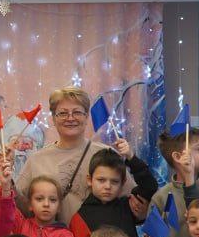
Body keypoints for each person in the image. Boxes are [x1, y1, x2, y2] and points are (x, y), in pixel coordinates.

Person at [14, 87, 138, 225]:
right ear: (53, 118)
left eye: (77, 112)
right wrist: (5, 182)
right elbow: (19, 208)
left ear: (86, 117)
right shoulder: (37, 160)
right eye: (63, 113)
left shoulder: (106, 155)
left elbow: (134, 205)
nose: (70, 118)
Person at [67, 144, 159, 237]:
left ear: (123, 183)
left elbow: (150, 186)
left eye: (114, 181)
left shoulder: (129, 205)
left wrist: (131, 158)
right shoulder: (80, 218)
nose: (107, 186)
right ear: (89, 180)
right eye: (101, 180)